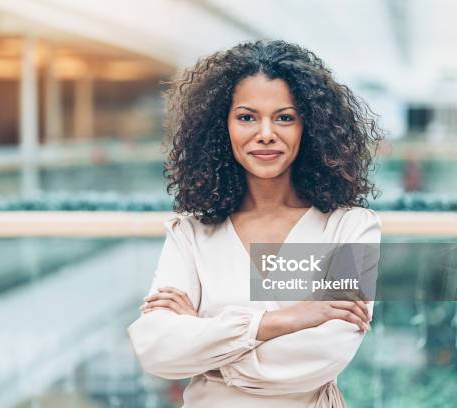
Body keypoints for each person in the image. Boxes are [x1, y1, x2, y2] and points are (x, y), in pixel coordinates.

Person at [127, 39, 383, 407]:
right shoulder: (192, 233)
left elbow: (326, 353)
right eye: (247, 117)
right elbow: (155, 349)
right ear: (222, 127)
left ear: (308, 127)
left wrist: (205, 342)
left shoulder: (351, 228)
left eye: (284, 117)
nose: (265, 133)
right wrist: (281, 322)